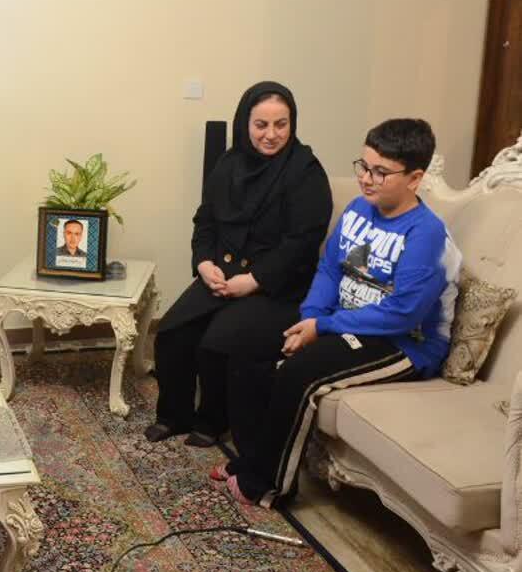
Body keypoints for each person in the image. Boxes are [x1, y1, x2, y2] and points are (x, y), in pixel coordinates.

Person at [219, 118, 461, 507]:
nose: (366, 178)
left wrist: (323, 326)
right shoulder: (359, 209)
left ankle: (266, 486)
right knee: (247, 349)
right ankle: (251, 460)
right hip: (343, 322)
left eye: (380, 172)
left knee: (298, 373)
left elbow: (402, 313)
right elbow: (331, 269)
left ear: (415, 179)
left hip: (403, 344)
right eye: (364, 166)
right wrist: (311, 316)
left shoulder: (426, 234)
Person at [144, 81, 332, 450]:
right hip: (222, 275)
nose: (271, 134)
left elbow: (301, 243)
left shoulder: (306, 172)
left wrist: (255, 280)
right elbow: (206, 221)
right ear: (245, 123)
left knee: (218, 341)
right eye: (261, 125)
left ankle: (213, 422)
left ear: (293, 124)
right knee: (173, 330)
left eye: (281, 124)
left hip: (278, 286)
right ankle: (174, 415)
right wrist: (203, 262)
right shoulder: (229, 163)